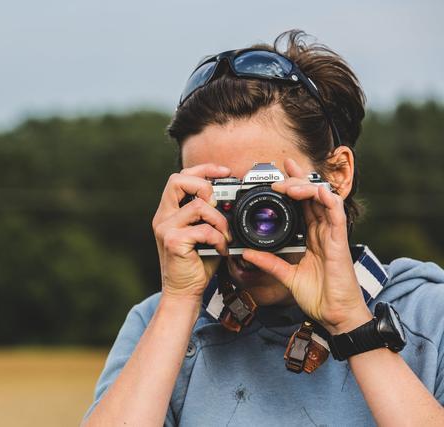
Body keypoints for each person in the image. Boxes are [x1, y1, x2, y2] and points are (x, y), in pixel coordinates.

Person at [81, 30, 444, 426]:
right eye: (224, 196)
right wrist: (179, 302)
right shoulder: (162, 327)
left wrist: (352, 322)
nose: (247, 220)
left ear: (337, 175)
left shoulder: (428, 316)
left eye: (264, 193)